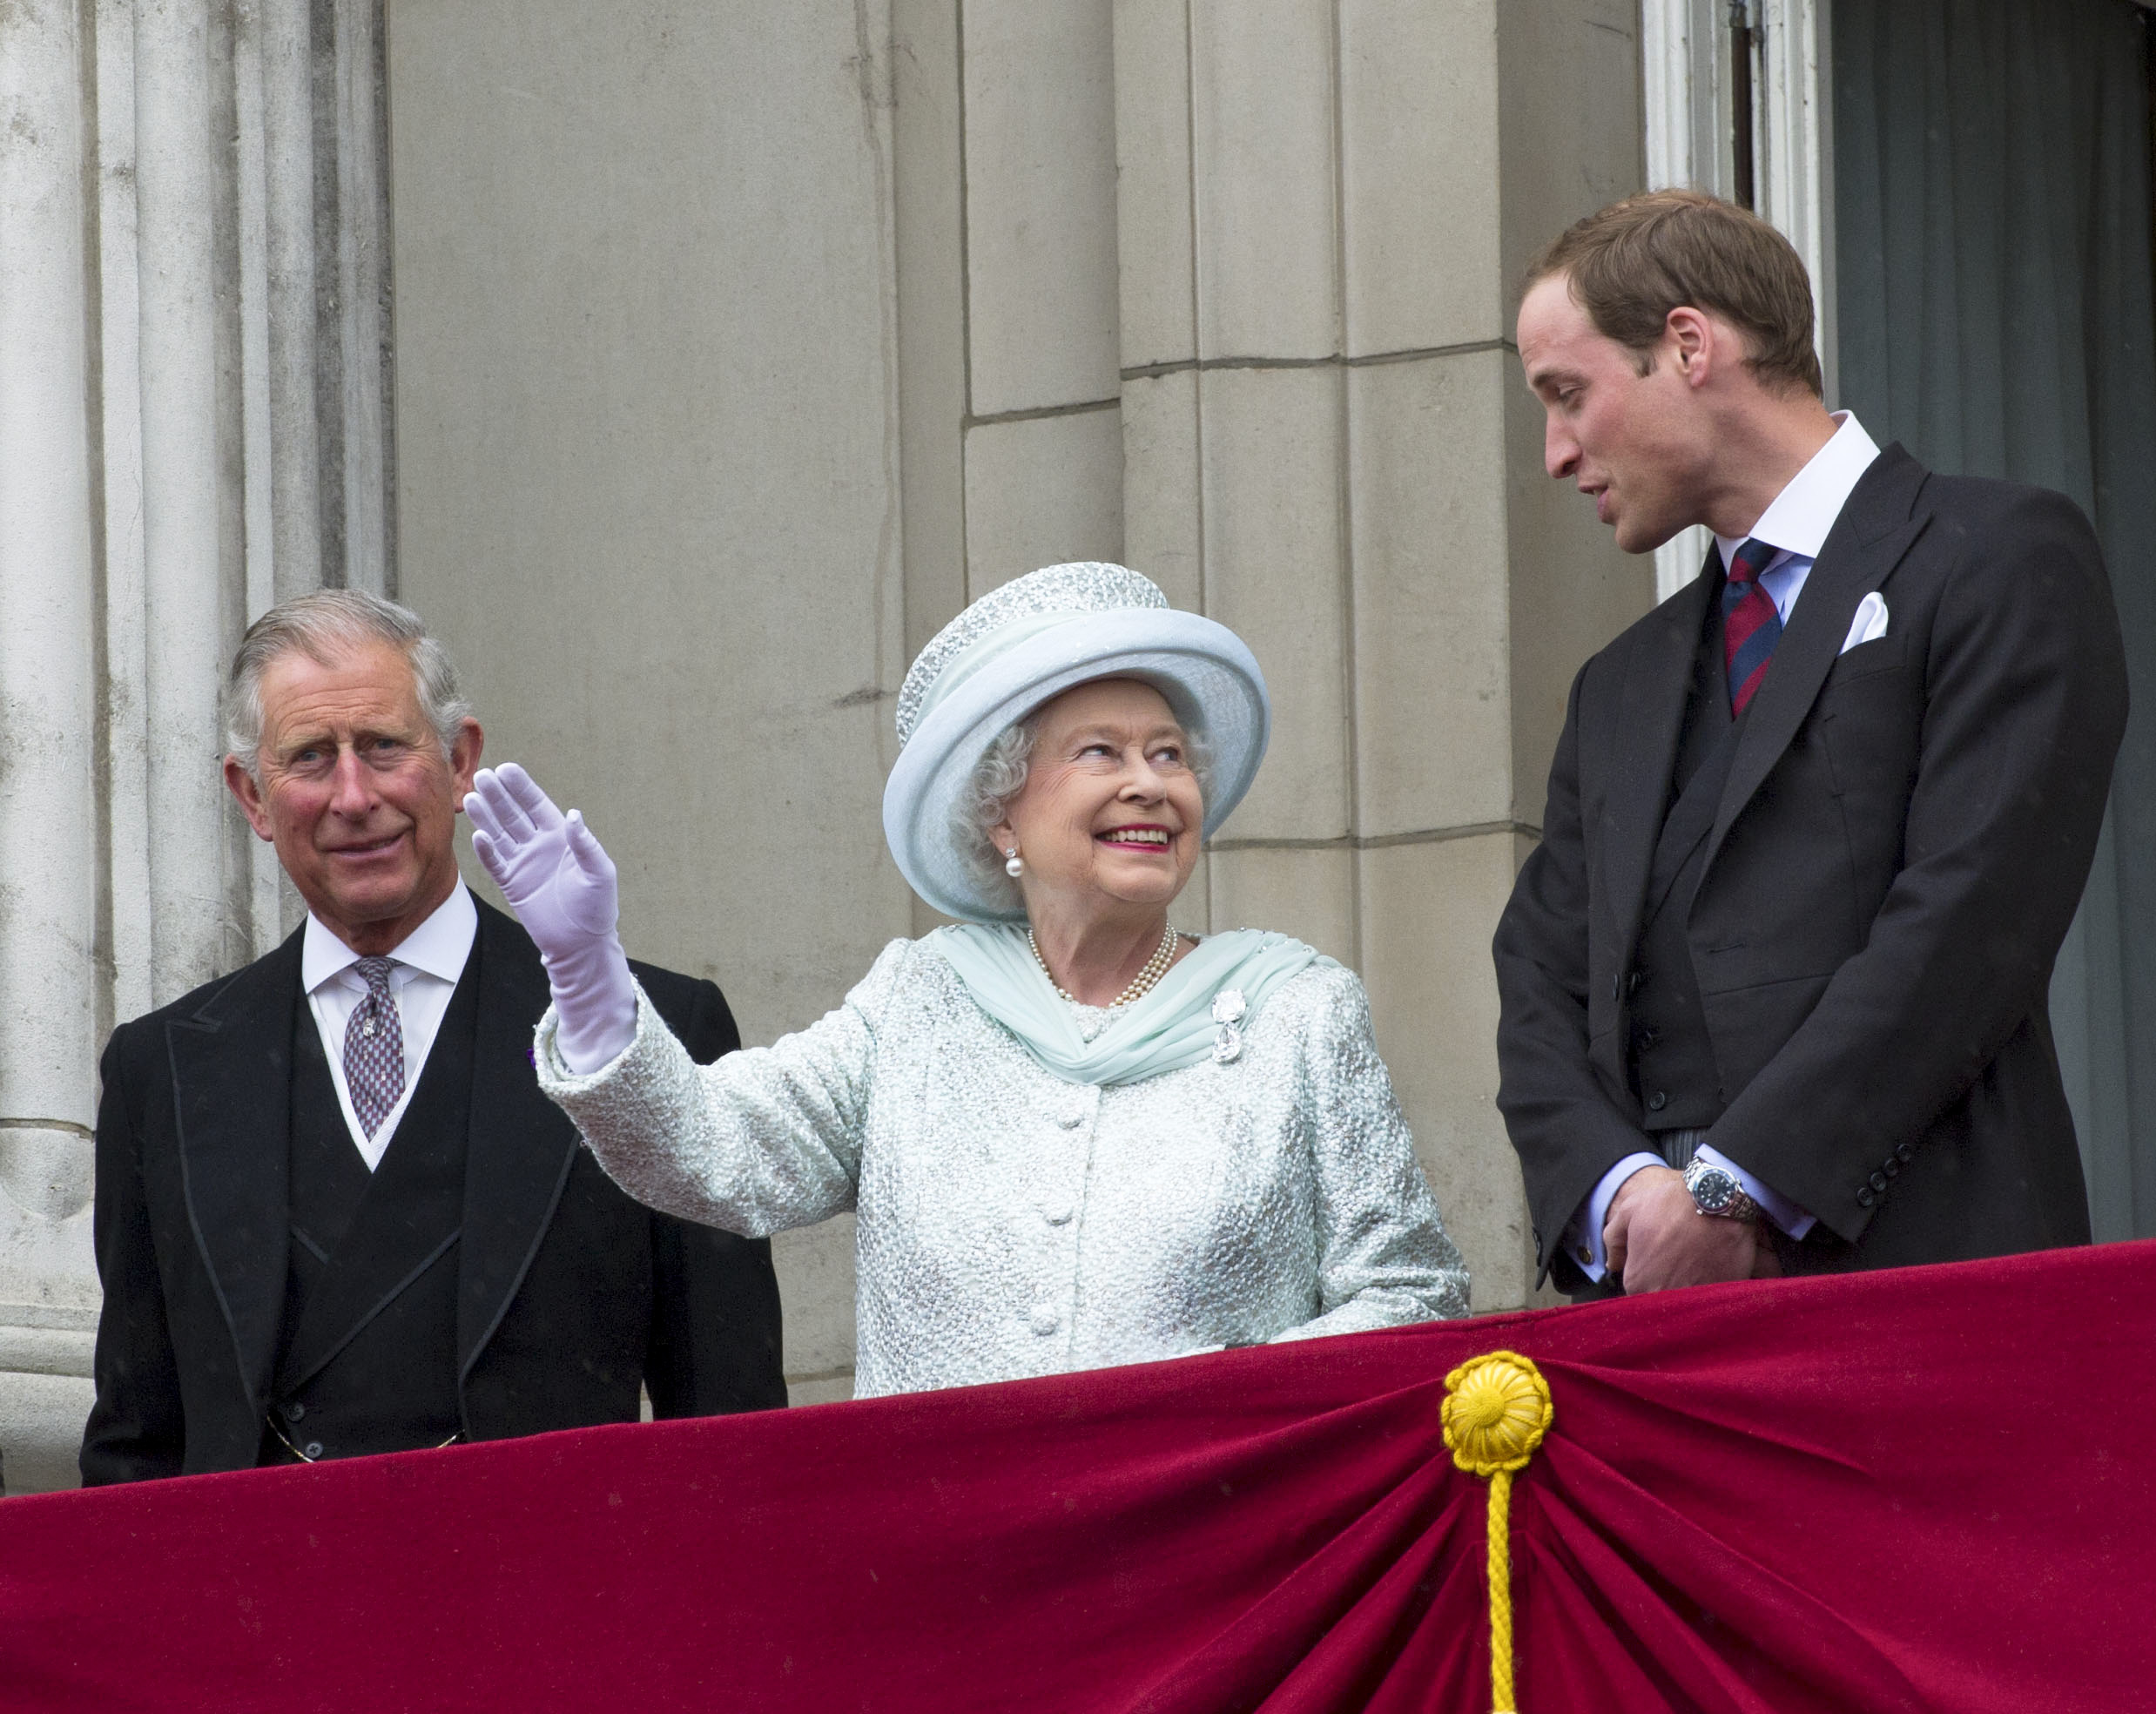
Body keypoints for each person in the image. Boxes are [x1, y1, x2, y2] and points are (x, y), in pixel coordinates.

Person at [467, 563, 1468, 1397]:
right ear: (1002, 814)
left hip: (1216, 1552)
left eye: (1169, 754)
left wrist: (1211, 1407)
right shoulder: (917, 1004)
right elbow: (712, 1154)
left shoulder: (1299, 1011)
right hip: (952, 1567)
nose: (1150, 783)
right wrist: (586, 971)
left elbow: (1413, 1293)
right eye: (1100, 753)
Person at [1494, 189, 2128, 1299]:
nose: (1554, 454)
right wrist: (1626, 1195)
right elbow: (1540, 979)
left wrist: (1738, 1189)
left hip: (1934, 1298)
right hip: (1659, 1343)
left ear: (1688, 346)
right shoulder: (1618, 685)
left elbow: (1974, 916)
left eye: (1566, 395)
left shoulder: (1996, 558)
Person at [80, 591, 785, 1482]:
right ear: (252, 797)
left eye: (382, 746)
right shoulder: (165, 1071)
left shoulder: (650, 1034)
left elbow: (729, 1422)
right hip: (261, 1604)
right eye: (309, 758)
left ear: (459, 763)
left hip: (546, 1599)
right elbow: (136, 1442)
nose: (352, 795)